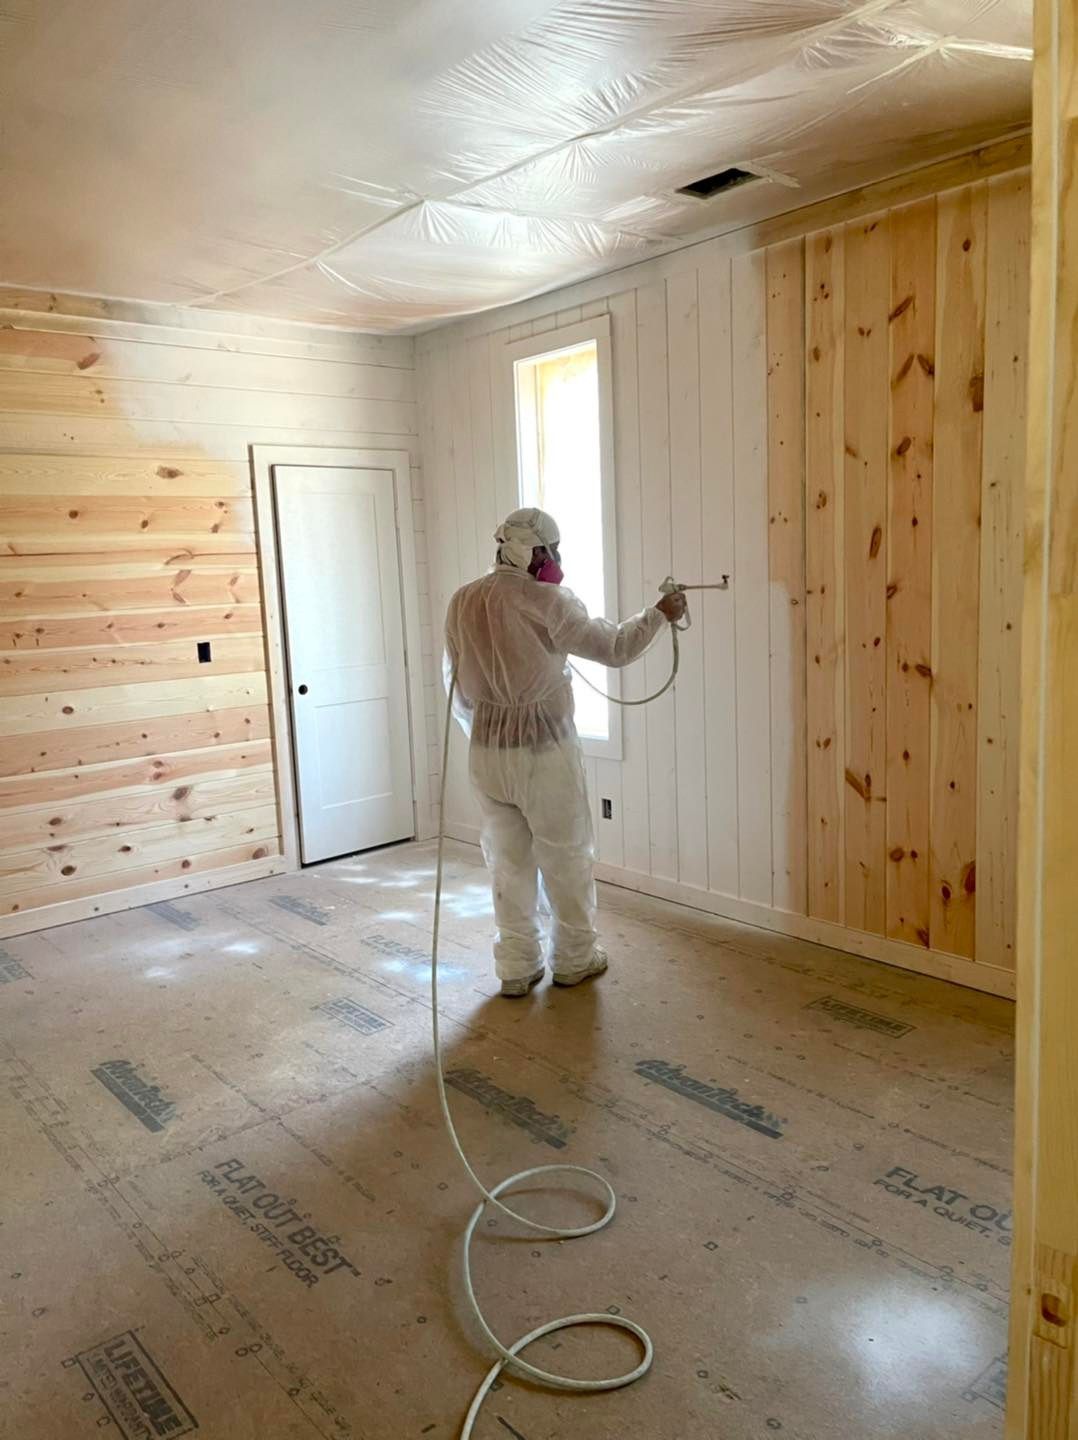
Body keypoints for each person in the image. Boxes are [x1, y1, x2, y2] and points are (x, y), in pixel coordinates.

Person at [443, 506, 687, 997]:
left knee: (507, 862)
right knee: (565, 856)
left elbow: (457, 685)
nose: (555, 559)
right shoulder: (546, 601)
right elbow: (615, 648)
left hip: (487, 753)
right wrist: (659, 614)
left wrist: (489, 727)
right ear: (529, 553)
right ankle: (574, 959)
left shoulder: (463, 600)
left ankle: (516, 966)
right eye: (549, 551)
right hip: (542, 752)